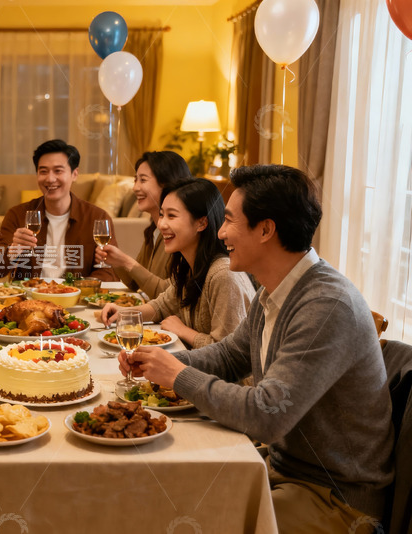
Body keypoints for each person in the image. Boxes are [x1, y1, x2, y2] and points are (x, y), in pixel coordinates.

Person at [119, 165, 394, 531]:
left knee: (188, 519)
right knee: (166, 494)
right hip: (285, 471)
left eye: (230, 221)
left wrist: (178, 375)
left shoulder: (326, 305)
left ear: (266, 229)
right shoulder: (275, 290)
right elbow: (229, 356)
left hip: (335, 498)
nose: (220, 232)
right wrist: (162, 362)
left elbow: (268, 413)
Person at [101, 178, 254, 348]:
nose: (161, 224)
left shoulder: (223, 275)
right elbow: (161, 306)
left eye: (171, 216)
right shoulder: (189, 266)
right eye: (161, 215)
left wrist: (182, 330)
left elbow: (229, 353)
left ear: (201, 223)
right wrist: (125, 314)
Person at [0, 139, 118, 280]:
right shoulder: (17, 214)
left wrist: (81, 288)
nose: (50, 179)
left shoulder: (97, 218)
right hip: (29, 299)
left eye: (58, 171)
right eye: (43, 171)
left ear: (74, 174)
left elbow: (109, 270)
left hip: (76, 298)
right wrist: (12, 251)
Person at [94, 151, 192, 298]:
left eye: (143, 180)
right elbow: (136, 283)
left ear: (167, 183)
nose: (135, 188)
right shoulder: (152, 230)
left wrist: (127, 262)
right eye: (135, 180)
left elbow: (169, 295)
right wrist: (118, 262)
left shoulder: (182, 234)